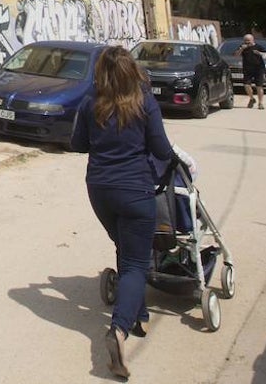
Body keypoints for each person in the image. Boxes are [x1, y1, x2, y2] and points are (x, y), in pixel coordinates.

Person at [71, 45, 196, 381]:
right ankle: (120, 329)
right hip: (135, 191)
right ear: (132, 70)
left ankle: (137, 315)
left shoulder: (89, 103)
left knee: (126, 249)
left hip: (99, 191)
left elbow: (77, 144)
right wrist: (177, 160)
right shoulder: (144, 102)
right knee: (137, 263)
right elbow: (160, 148)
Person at [239, 34, 266, 109]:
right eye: (245, 41)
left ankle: (260, 103)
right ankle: (252, 99)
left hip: (259, 69)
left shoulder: (258, 47)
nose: (247, 42)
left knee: (259, 86)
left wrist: (260, 53)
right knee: (246, 85)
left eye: (248, 40)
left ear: (252, 40)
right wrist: (241, 49)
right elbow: (235, 55)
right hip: (247, 69)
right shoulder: (243, 47)